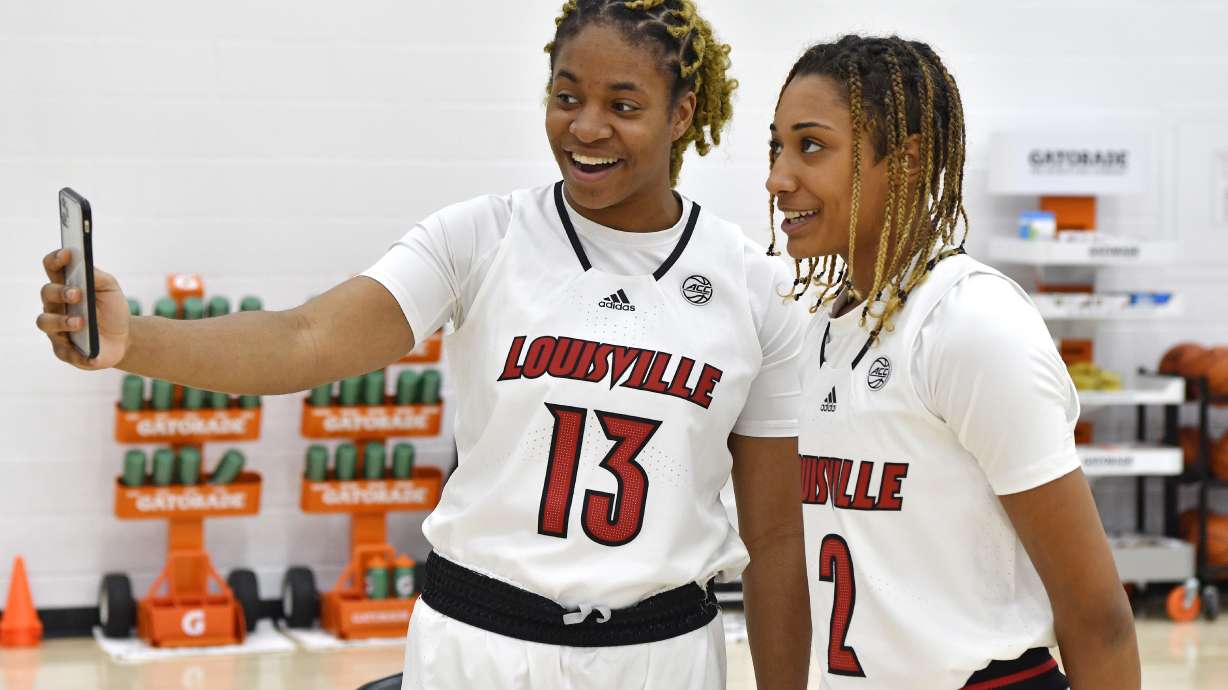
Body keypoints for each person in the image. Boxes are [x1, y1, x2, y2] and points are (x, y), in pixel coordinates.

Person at [37, 2, 811, 688]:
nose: (585, 127)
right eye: (566, 96)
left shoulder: (751, 286)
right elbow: (304, 338)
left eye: (623, 104)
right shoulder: (482, 237)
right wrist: (132, 339)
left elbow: (776, 540)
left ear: (683, 113)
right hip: (479, 644)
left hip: (663, 656)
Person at [766, 34, 1140, 689]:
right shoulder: (818, 327)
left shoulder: (970, 323)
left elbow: (1098, 616)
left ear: (906, 160)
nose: (777, 177)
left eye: (811, 146)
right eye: (777, 146)